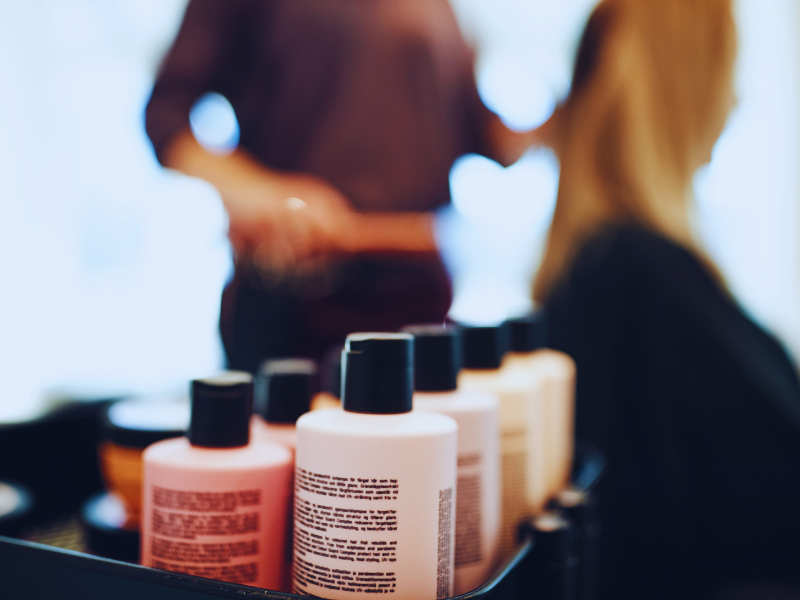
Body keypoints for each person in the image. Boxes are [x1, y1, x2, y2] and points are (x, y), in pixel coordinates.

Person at [533, 0, 800, 597]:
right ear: (687, 82)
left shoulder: (593, 269)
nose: (734, 100)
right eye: (728, 71)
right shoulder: (645, 276)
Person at [145, 0, 536, 372]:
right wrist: (261, 192)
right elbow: (166, 114)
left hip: (420, 301)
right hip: (300, 307)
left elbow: (481, 134)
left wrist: (569, 117)